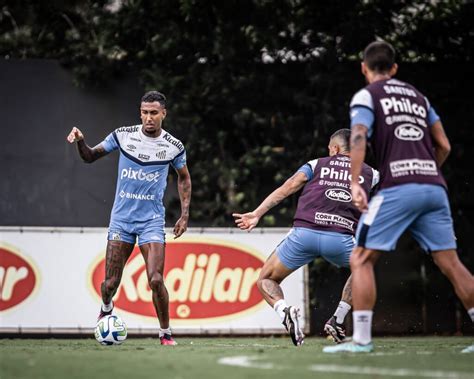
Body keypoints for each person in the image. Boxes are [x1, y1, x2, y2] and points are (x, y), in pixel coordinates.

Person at [323, 41, 474, 354]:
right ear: (394, 69)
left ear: (364, 68)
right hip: (435, 187)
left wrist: (355, 183)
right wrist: (426, 172)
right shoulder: (419, 98)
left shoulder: (366, 95)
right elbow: (444, 145)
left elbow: (359, 137)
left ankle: (361, 341)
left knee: (361, 258)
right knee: (451, 263)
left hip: (398, 187)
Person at [66, 91, 191, 346]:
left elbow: (184, 178)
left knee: (156, 279)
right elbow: (90, 156)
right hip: (121, 221)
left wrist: (185, 214)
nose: (148, 118)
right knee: (110, 283)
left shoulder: (174, 146)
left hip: (152, 222)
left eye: (154, 113)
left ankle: (165, 334)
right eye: (144, 112)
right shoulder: (123, 135)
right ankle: (106, 305)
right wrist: (80, 140)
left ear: (163, 114)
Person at [233, 129, 379, 346]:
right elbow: (397, 196)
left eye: (330, 148)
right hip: (340, 238)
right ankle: (338, 319)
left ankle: (284, 311)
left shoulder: (316, 164)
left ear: (335, 148)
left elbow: (288, 187)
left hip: (304, 235)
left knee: (266, 278)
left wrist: (257, 214)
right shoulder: (371, 173)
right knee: (363, 269)